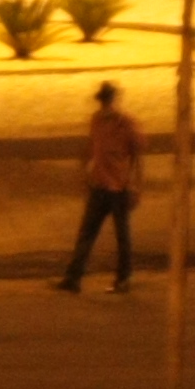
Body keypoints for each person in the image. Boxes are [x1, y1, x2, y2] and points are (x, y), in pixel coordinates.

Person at [54, 81, 142, 294]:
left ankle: (123, 279)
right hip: (100, 185)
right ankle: (74, 278)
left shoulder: (126, 124)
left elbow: (138, 156)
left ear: (112, 101)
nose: (105, 105)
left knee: (122, 236)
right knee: (87, 233)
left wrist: (136, 187)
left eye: (107, 101)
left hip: (119, 188)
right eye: (103, 101)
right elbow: (91, 148)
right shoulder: (96, 121)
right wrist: (84, 172)